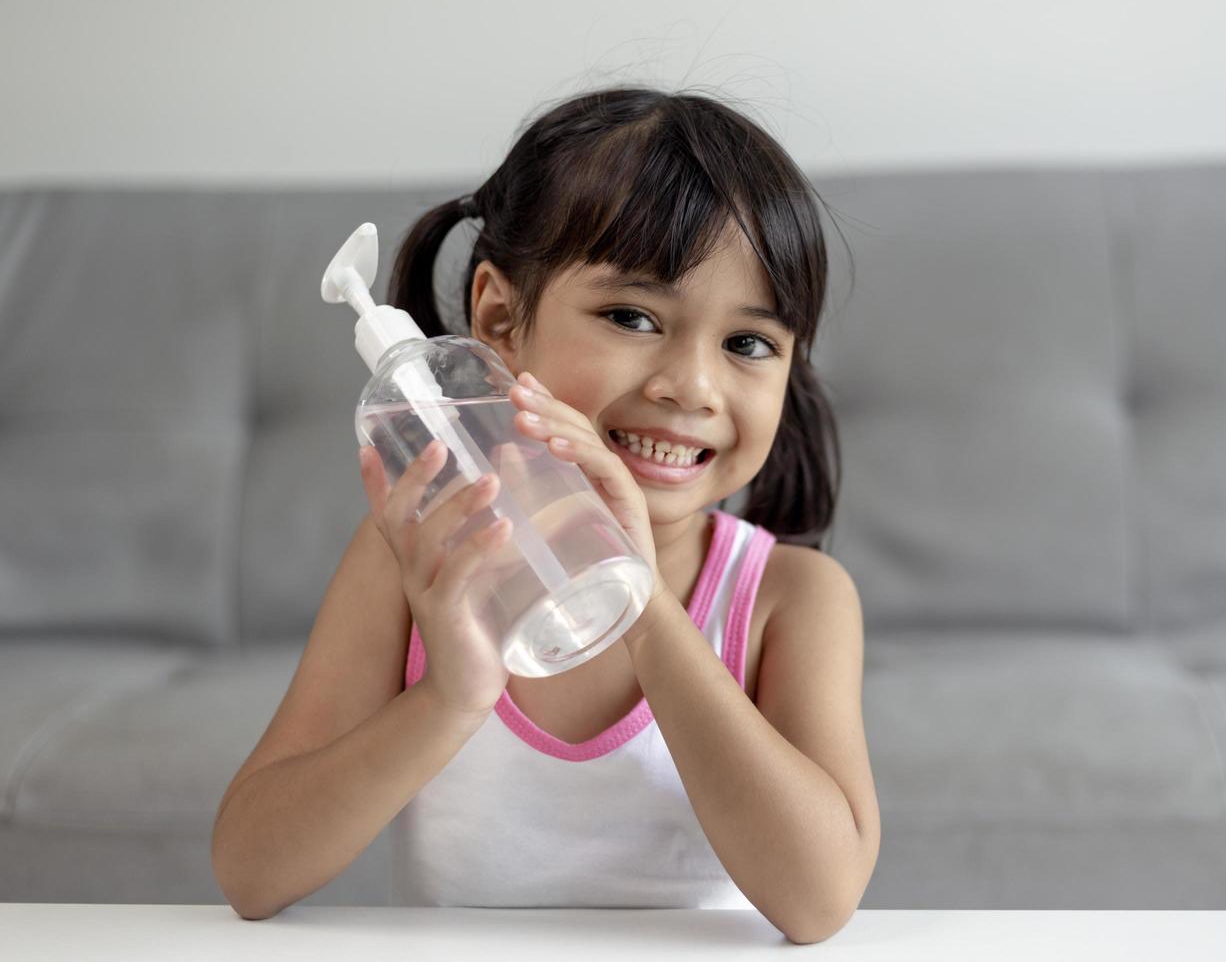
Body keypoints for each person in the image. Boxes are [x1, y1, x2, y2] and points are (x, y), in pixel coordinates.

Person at [211, 85, 878, 945]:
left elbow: (819, 900)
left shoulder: (794, 598)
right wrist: (450, 698)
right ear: (499, 320)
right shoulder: (414, 562)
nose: (692, 386)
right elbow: (252, 869)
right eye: (632, 316)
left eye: (748, 343)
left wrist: (641, 608)